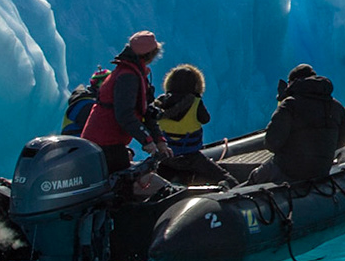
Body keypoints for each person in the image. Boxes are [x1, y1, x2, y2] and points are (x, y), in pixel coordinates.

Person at [79, 30, 170, 176]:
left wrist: (159, 140)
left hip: (103, 141)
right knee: (123, 189)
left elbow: (146, 111)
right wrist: (147, 140)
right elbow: (124, 114)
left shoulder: (130, 72)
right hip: (106, 143)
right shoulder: (128, 77)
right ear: (151, 54)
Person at [249, 64, 345, 185]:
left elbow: (272, 143)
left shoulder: (290, 105)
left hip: (289, 170)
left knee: (256, 177)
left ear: (293, 83)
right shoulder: (337, 107)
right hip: (321, 171)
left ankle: (227, 192)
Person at [152, 63, 236, 187]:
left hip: (165, 157)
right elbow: (205, 119)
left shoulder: (159, 103)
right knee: (224, 177)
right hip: (191, 156)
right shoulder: (196, 103)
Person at [59, 67, 110, 136]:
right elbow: (96, 129)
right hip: (78, 143)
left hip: (75, 143)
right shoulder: (87, 104)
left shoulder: (84, 100)